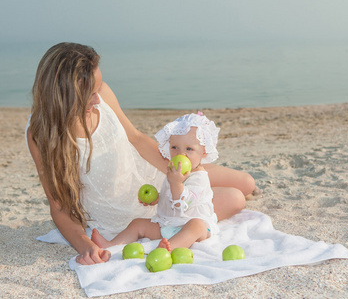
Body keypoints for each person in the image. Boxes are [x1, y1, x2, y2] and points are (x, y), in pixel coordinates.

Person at [26, 42, 256, 265]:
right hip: (130, 213)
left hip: (155, 175)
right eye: (89, 93)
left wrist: (179, 173)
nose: (98, 98)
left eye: (98, 88)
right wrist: (85, 245)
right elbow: (58, 205)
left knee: (246, 183)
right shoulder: (41, 136)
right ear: (63, 96)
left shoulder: (102, 94)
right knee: (236, 198)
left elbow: (136, 138)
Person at [92, 113, 220, 252]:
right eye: (174, 147)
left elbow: (183, 203)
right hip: (167, 224)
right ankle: (112, 245)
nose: (180, 154)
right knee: (137, 224)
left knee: (196, 225)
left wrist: (176, 183)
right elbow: (171, 195)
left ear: (204, 152)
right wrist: (160, 198)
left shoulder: (199, 177)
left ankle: (170, 248)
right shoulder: (174, 172)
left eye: (189, 149)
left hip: (191, 225)